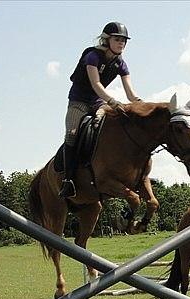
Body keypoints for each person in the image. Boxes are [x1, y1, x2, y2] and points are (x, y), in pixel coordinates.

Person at [59, 22, 143, 198]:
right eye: (117, 39)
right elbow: (96, 84)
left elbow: (130, 93)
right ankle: (68, 180)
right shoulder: (92, 57)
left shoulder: (121, 64)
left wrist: (140, 103)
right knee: (72, 133)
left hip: (99, 103)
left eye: (124, 41)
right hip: (79, 102)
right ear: (107, 40)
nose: (121, 43)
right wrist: (112, 101)